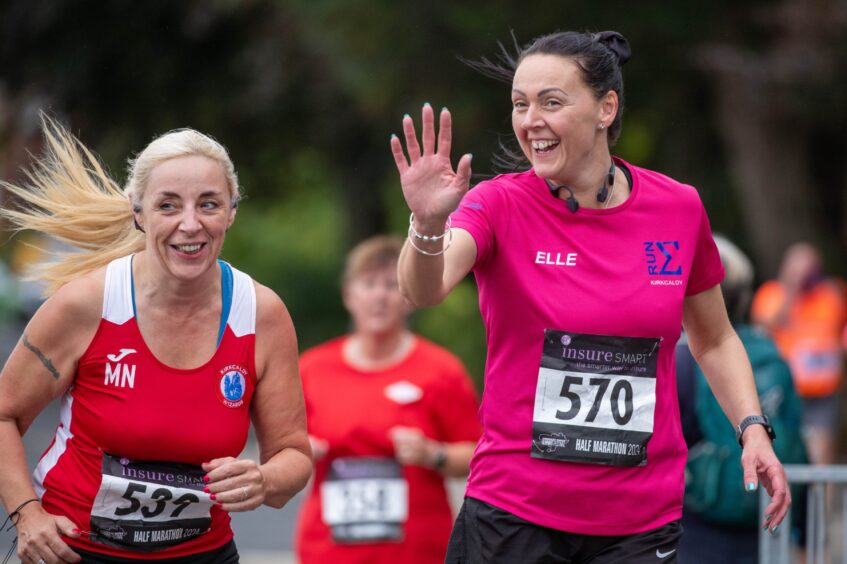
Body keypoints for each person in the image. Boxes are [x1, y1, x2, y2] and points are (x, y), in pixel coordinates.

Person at [389, 30, 791, 563]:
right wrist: (426, 223)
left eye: (551, 102)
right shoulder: (499, 204)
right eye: (520, 104)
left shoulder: (678, 207)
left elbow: (714, 339)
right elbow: (423, 289)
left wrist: (752, 430)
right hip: (514, 513)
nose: (531, 119)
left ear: (606, 108)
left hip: (639, 522)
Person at [0, 117, 312, 563]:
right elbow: (4, 415)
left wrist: (264, 480)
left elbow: (293, 454)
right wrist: (27, 514)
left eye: (209, 204)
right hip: (78, 551)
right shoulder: (88, 305)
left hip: (202, 554)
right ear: (138, 212)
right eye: (168, 206)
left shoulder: (261, 314)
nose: (190, 224)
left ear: (232, 212)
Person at [294, 235, 481, 564]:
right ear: (348, 295)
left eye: (391, 285)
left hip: (417, 551)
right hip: (328, 550)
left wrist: (433, 454)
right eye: (368, 284)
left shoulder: (441, 370)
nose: (379, 296)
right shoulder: (311, 369)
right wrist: (300, 452)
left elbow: (478, 455)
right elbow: (276, 451)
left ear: (409, 295)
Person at [676, 235, 807, 564]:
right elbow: (796, 443)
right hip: (761, 524)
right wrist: (802, 533)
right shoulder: (770, 355)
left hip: (695, 529)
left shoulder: (679, 361)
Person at [751, 242, 847, 465]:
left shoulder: (832, 294)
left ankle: (823, 501)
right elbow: (766, 325)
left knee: (821, 456)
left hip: (822, 392)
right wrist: (792, 287)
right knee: (783, 451)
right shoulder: (771, 294)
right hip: (785, 390)